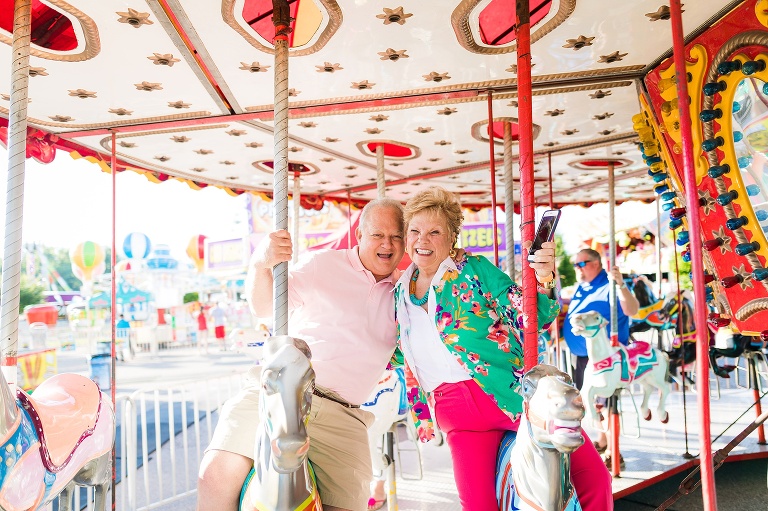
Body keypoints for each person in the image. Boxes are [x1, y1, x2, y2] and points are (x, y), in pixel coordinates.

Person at [392, 187, 612, 511]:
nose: (422, 240)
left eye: (434, 231)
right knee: (478, 506)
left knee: (592, 476)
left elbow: (528, 313)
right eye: (415, 231)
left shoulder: (474, 270)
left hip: (510, 397)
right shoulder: (398, 295)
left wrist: (544, 275)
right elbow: (391, 353)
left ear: (451, 237)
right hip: (457, 414)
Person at [197, 198, 406, 511]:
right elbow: (265, 307)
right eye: (378, 235)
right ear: (360, 236)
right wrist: (260, 264)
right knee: (216, 473)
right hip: (285, 390)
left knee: (353, 505)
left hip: (344, 414)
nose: (386, 244)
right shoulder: (323, 264)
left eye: (396, 237)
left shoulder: (404, 292)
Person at [563, 248, 640, 455]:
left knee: (605, 400)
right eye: (575, 264)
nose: (577, 268)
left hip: (606, 356)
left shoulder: (610, 285)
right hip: (583, 355)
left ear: (596, 263)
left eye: (581, 264)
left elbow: (632, 310)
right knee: (591, 400)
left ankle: (614, 452)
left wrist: (622, 285)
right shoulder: (581, 287)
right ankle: (603, 440)